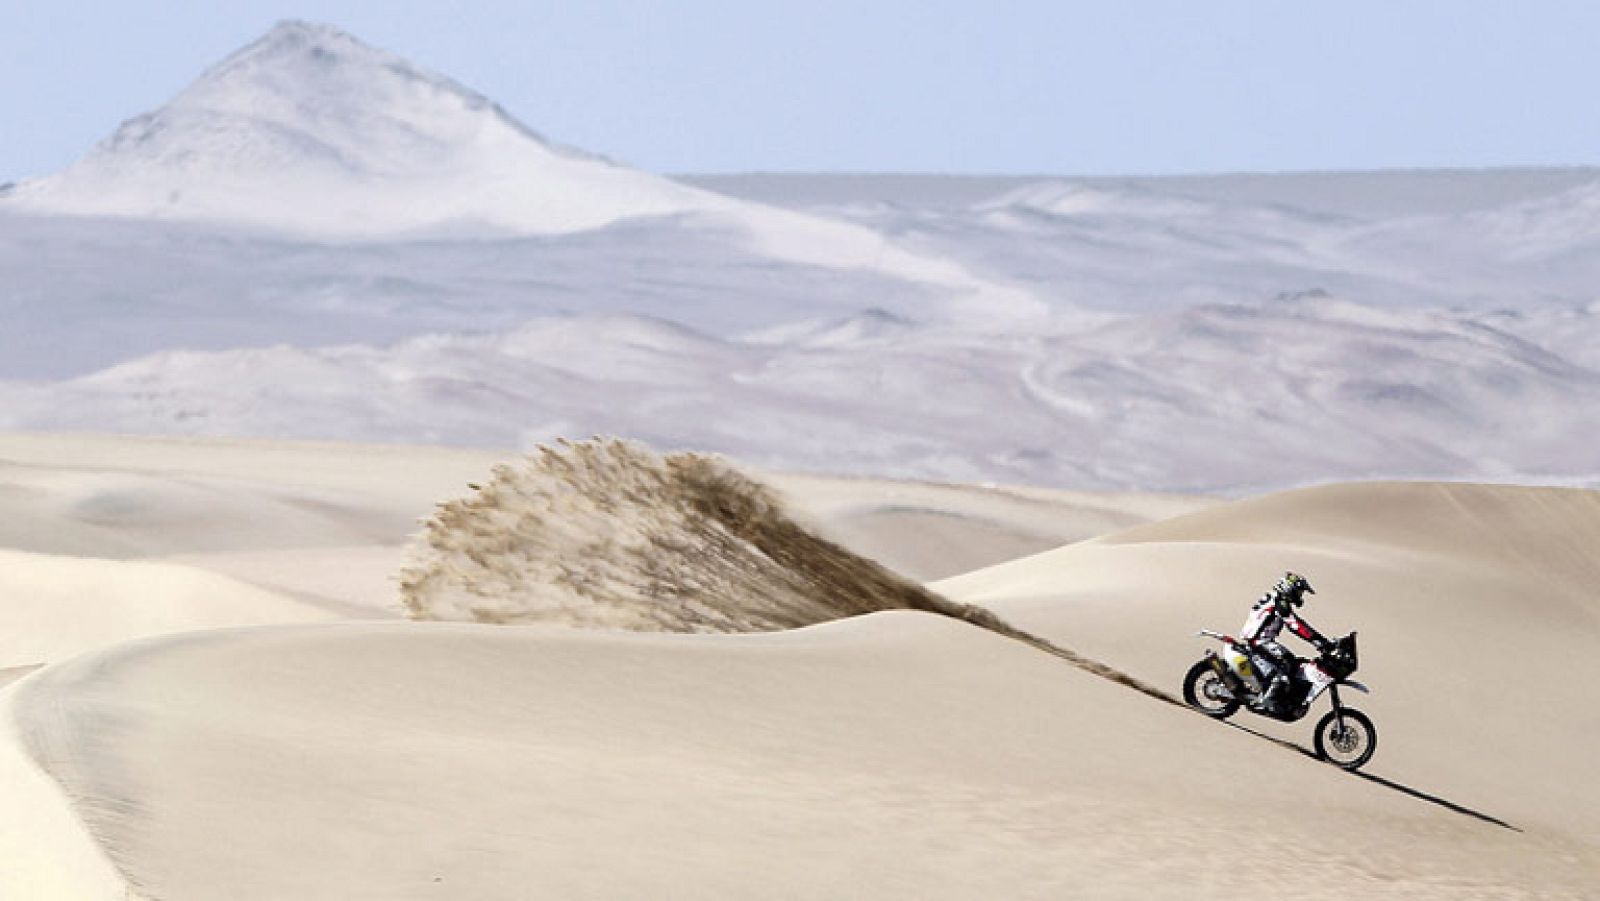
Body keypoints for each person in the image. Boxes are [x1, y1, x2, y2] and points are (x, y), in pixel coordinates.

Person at [1239, 572, 1333, 714]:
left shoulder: (1274, 598)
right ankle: (1268, 700)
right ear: (1289, 589)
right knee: (1287, 662)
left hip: (1258, 638)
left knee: (1293, 663)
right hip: (1259, 640)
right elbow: (1295, 625)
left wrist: (1319, 640)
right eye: (1299, 592)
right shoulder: (1280, 603)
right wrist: (1320, 642)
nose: (1300, 596)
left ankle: (1270, 691)